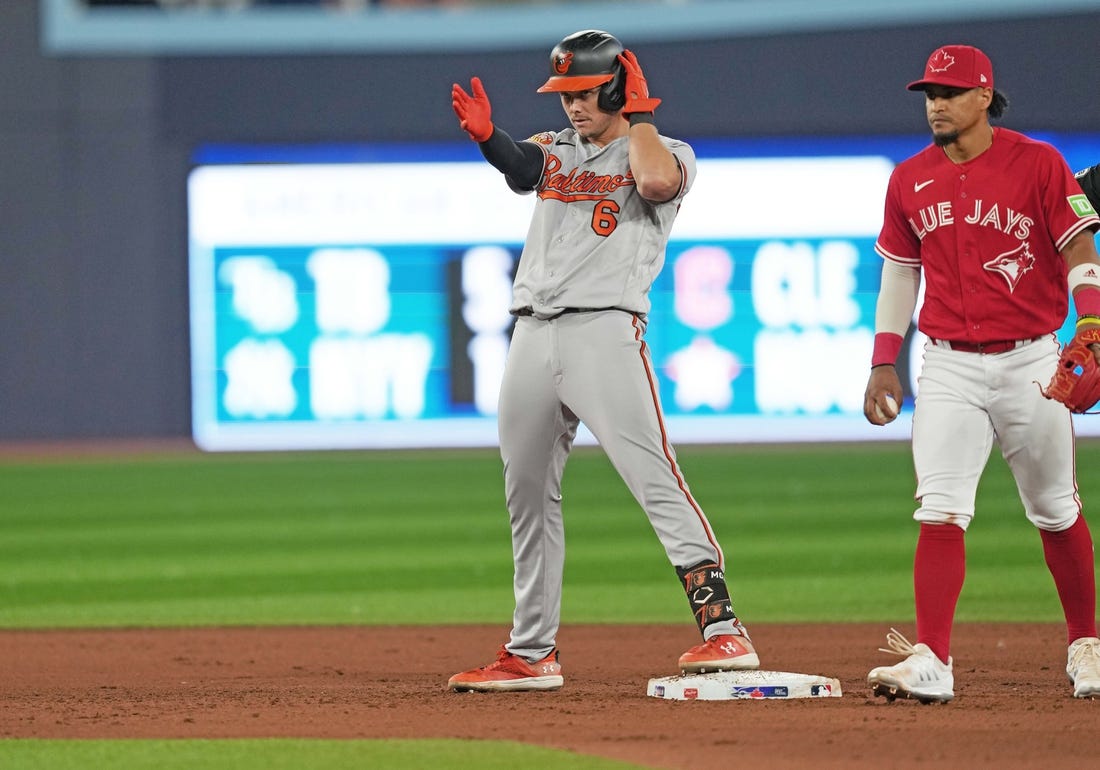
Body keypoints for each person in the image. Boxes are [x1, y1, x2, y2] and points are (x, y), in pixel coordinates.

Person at [446, 29, 759, 692]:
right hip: (531, 334)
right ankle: (532, 652)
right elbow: (524, 170)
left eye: (585, 92)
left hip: (605, 332)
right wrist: (488, 139)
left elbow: (651, 181)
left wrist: (639, 114)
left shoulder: (667, 151)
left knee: (654, 478)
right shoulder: (556, 147)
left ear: (618, 88)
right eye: (565, 94)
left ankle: (723, 629)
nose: (572, 107)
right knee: (526, 492)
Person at [863, 44, 1100, 703]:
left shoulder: (1040, 163)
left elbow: (1079, 243)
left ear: (982, 97)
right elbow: (899, 271)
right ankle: (932, 658)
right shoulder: (909, 177)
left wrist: (1092, 324)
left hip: (1032, 358)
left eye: (948, 91)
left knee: (1054, 509)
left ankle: (1087, 644)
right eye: (928, 93)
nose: (935, 103)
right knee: (939, 507)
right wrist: (885, 358)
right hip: (947, 364)